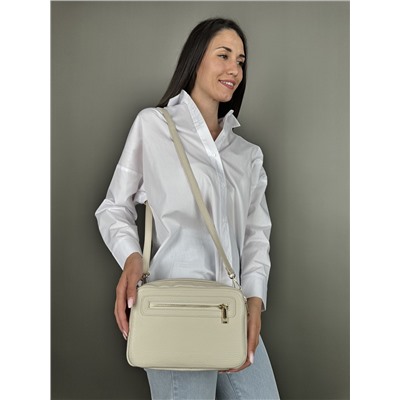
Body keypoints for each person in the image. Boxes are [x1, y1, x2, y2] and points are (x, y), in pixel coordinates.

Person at [95, 17, 280, 400]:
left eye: (241, 61)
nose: (234, 69)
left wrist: (254, 301)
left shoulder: (247, 155)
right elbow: (113, 206)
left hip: (231, 311)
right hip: (173, 309)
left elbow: (255, 237)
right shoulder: (153, 126)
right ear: (196, 60)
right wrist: (131, 257)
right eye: (223, 55)